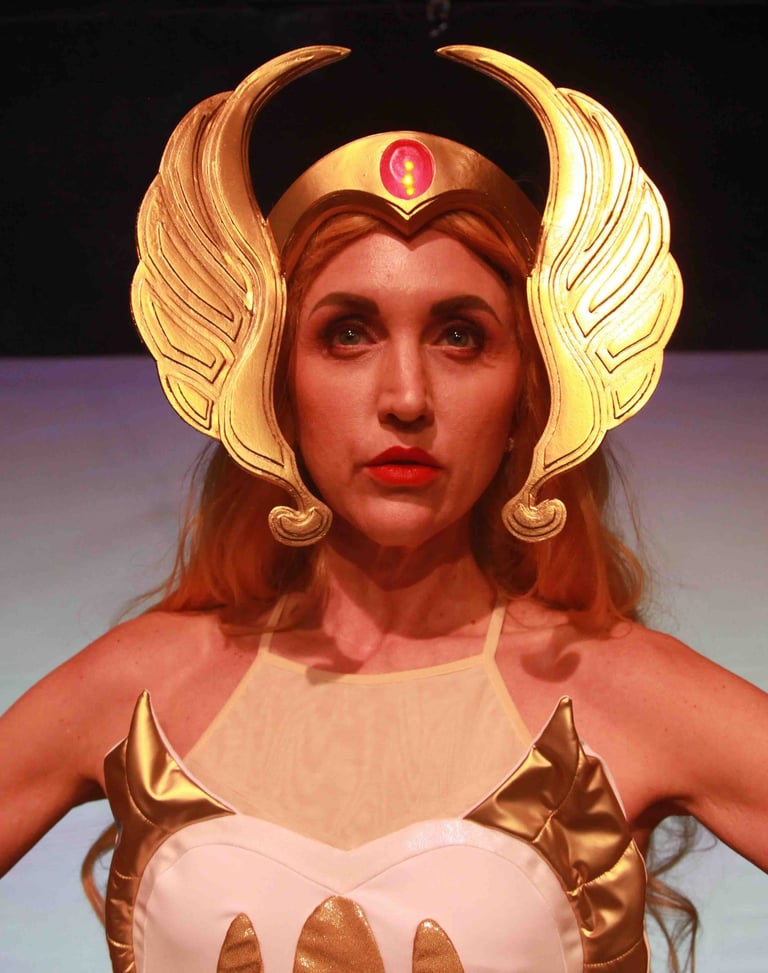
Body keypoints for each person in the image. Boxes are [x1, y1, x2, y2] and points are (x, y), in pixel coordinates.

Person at [1, 45, 766, 973]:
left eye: (460, 335)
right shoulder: (144, 692)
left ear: (529, 392)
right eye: (349, 333)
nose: (406, 396)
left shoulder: (624, 692)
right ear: (272, 383)